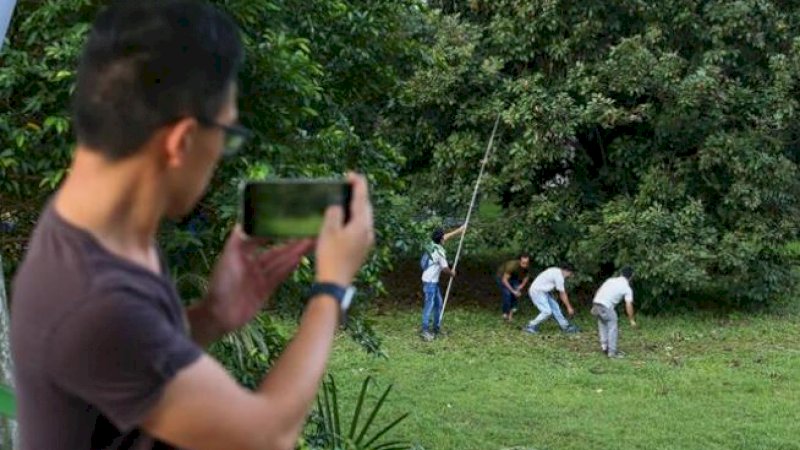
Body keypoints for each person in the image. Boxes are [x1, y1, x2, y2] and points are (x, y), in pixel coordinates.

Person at [10, 2, 374, 449]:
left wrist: (211, 315)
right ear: (182, 140)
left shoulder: (102, 230)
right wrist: (332, 289)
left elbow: (129, 373)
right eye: (227, 135)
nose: (221, 153)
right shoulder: (93, 299)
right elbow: (268, 435)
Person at [420, 224, 465, 341]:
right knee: (429, 305)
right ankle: (425, 330)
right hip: (430, 282)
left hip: (430, 281)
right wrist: (452, 273)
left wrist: (459, 231)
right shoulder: (439, 252)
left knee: (438, 304)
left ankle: (436, 328)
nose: (444, 238)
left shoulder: (431, 244)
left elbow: (446, 237)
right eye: (443, 237)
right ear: (440, 240)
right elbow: (445, 268)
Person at [590, 266, 637, 358]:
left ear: (621, 274)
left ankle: (604, 347)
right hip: (606, 305)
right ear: (631, 277)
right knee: (612, 326)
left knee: (602, 323)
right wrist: (631, 320)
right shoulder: (627, 288)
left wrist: (594, 305)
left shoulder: (610, 280)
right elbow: (628, 305)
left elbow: (599, 291)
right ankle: (612, 352)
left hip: (597, 302)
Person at [524, 264, 580, 334]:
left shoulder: (556, 270)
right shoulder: (559, 277)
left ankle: (565, 326)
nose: (569, 276)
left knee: (555, 307)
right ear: (566, 271)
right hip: (537, 291)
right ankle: (530, 326)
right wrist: (569, 307)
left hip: (543, 292)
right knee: (547, 311)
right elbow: (562, 294)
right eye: (570, 274)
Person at [495, 253, 531, 322]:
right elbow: (504, 280)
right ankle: (505, 313)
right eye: (523, 263)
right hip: (502, 276)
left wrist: (521, 286)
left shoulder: (527, 266)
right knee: (507, 294)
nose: (525, 265)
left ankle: (512, 310)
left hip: (514, 276)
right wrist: (513, 291)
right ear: (519, 261)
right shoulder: (512, 266)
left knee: (516, 292)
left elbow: (526, 277)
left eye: (526, 263)